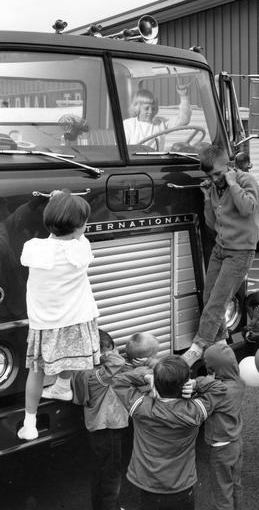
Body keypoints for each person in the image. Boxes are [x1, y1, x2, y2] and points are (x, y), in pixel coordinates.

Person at [18, 190, 100, 440]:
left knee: (37, 371)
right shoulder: (81, 251)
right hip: (77, 321)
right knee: (70, 360)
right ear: (79, 229)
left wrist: (55, 202)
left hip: (46, 324)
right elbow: (75, 240)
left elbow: (49, 241)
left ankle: (30, 424)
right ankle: (64, 386)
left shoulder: (32, 249)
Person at [112, 354, 226, 510]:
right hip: (181, 485)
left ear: (155, 383)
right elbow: (219, 388)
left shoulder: (141, 407)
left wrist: (145, 377)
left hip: (148, 483)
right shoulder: (194, 412)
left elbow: (118, 380)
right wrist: (195, 384)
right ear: (185, 383)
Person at [182, 145, 259, 366]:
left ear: (228, 165)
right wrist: (208, 198)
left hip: (241, 252)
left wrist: (233, 182)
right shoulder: (215, 188)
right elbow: (212, 225)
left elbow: (247, 208)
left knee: (218, 302)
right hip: (220, 249)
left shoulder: (245, 181)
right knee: (210, 300)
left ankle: (197, 348)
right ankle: (223, 348)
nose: (215, 179)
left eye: (218, 173)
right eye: (210, 176)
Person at [71, 329, 129, 510]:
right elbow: (118, 361)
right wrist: (105, 354)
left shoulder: (79, 373)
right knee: (112, 474)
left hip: (96, 429)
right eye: (112, 350)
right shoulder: (98, 377)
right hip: (108, 428)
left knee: (99, 472)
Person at [200, 342, 246, 510]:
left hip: (221, 447)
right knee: (235, 483)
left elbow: (202, 387)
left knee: (222, 490)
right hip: (236, 442)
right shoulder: (239, 383)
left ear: (213, 370)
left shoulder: (218, 391)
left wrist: (205, 380)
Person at [123, 86, 191, 150]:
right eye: (146, 108)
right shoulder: (128, 124)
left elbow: (183, 121)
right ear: (137, 108)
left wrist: (184, 97)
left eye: (153, 108)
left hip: (156, 161)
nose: (150, 112)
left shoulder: (160, 123)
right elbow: (122, 150)